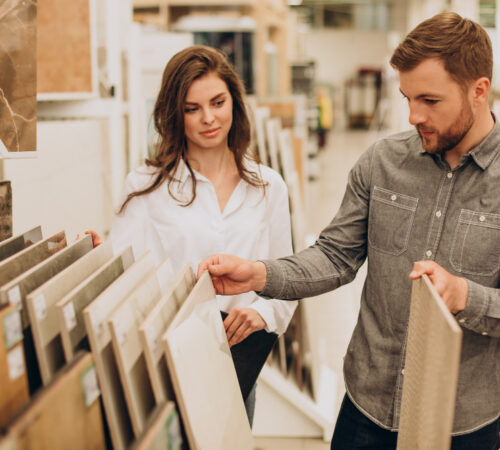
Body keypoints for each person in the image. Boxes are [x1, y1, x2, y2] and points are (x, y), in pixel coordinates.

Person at [198, 12, 500, 449]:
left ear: (479, 91)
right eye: (407, 98)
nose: (413, 115)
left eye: (430, 101)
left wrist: (464, 296)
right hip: (367, 409)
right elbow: (336, 257)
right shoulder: (382, 163)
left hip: (464, 423)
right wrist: (260, 274)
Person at [86, 45, 297, 424]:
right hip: (169, 361)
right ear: (174, 114)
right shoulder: (146, 187)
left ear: (234, 101)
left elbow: (287, 278)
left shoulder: (269, 187)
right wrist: (99, 264)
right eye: (192, 108)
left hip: (238, 361)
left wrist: (261, 313)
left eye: (218, 102)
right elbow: (127, 278)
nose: (208, 118)